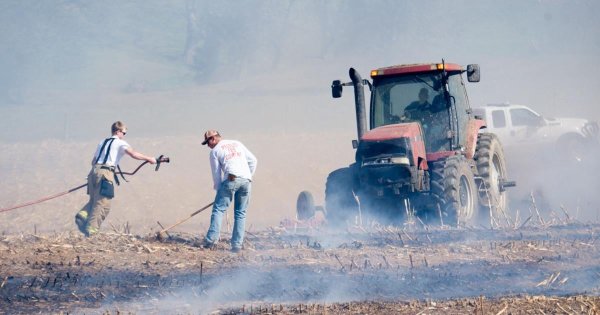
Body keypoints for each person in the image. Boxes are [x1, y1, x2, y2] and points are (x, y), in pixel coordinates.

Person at [75, 121, 157, 236]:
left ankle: (83, 215)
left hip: (93, 173)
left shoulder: (102, 142)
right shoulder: (120, 143)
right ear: (118, 131)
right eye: (124, 133)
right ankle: (91, 232)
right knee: (103, 204)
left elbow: (93, 161)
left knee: (94, 201)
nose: (124, 135)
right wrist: (150, 159)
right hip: (105, 173)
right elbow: (133, 154)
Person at [201, 130, 257, 253]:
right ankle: (236, 245)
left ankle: (211, 241)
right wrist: (247, 177)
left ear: (213, 139)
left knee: (218, 210)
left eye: (207, 142)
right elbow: (253, 161)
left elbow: (216, 175)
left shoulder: (214, 151)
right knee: (240, 213)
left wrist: (218, 191)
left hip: (231, 178)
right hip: (246, 180)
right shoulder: (237, 143)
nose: (207, 146)